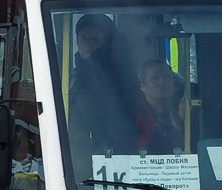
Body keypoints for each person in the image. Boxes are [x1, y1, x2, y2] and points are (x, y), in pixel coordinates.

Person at [67, 13, 135, 165]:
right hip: (77, 159)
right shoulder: (71, 78)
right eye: (83, 38)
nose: (87, 44)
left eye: (94, 39)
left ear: (109, 42)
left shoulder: (125, 78)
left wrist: (93, 62)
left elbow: (126, 121)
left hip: (121, 157)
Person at [136, 60, 186, 153]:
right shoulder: (132, 116)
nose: (162, 82)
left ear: (175, 85)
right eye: (154, 79)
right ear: (142, 87)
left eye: (167, 77)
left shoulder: (189, 110)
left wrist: (181, 124)